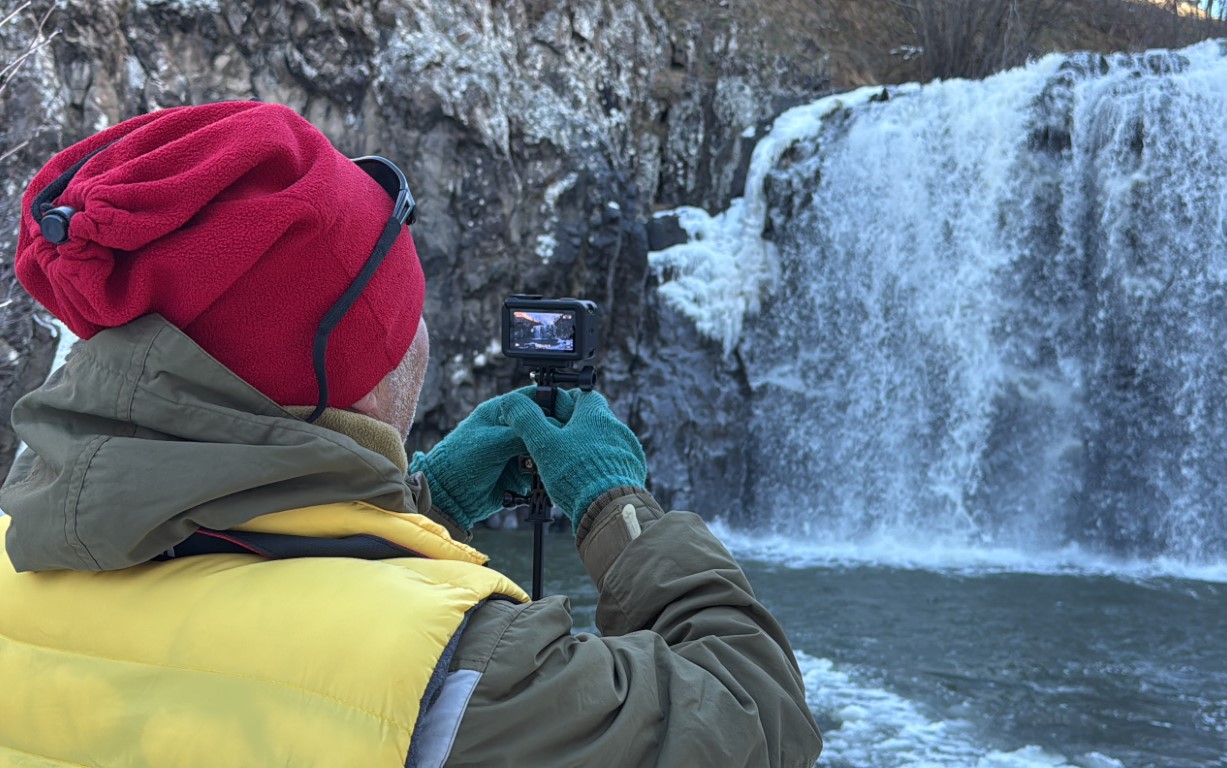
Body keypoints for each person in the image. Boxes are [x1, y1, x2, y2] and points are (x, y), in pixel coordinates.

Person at [0, 102, 821, 767]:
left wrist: (422, 499)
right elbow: (758, 719)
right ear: (346, 367)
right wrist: (618, 509)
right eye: (403, 309)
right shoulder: (459, 681)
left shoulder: (15, 546)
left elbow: (219, 572)